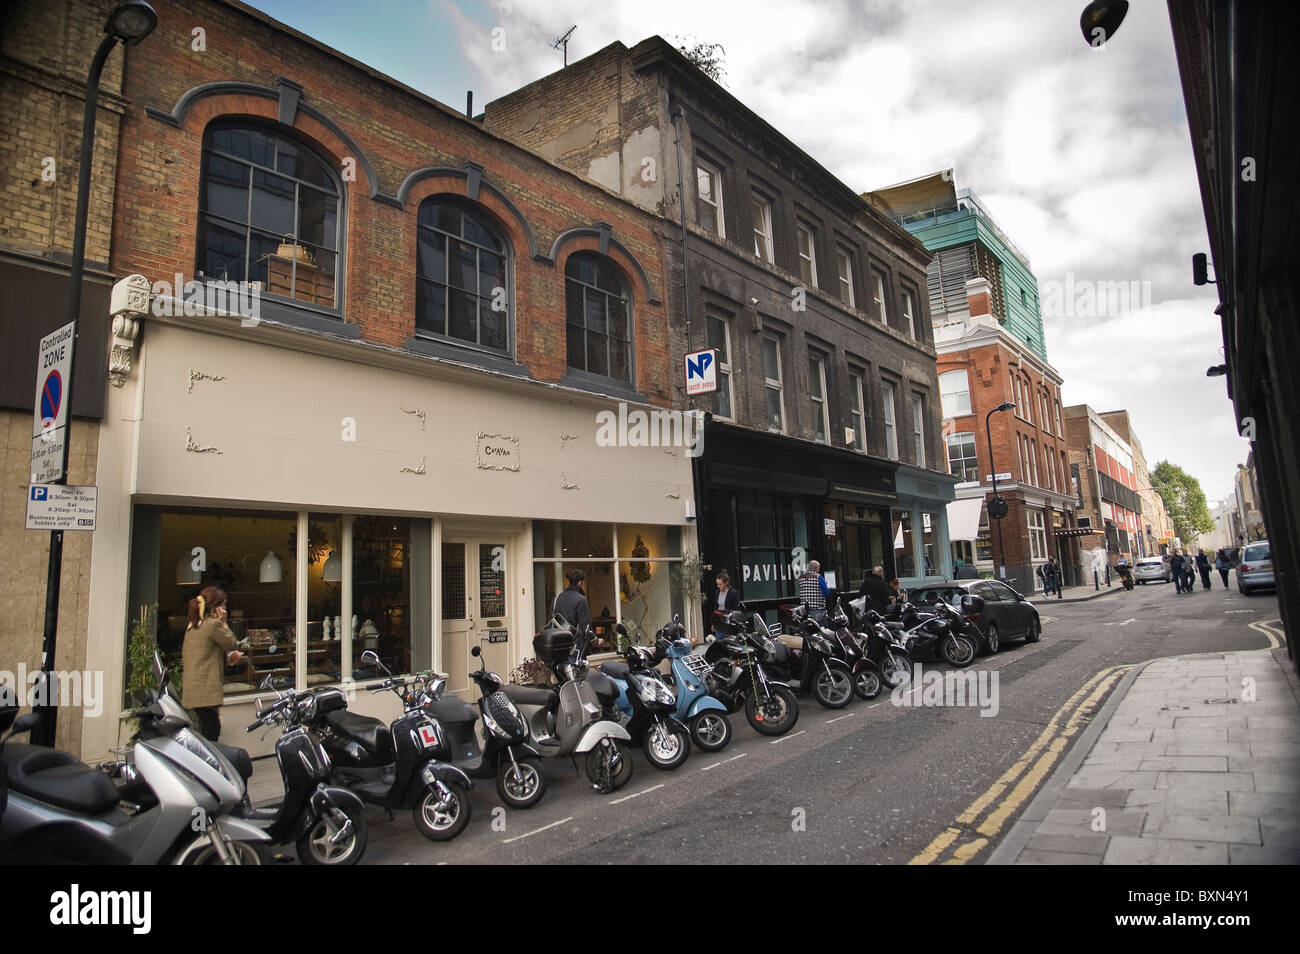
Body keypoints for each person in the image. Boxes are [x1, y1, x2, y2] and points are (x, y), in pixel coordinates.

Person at [181, 585, 242, 741]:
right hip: (205, 689)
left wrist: (227, 659)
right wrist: (224, 623)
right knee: (212, 730)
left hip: (193, 689)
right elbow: (231, 643)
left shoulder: (193, 626)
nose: (225, 608)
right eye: (224, 605)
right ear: (216, 607)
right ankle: (207, 763)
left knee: (207, 727)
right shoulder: (212, 625)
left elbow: (202, 655)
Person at [712, 569, 740, 637]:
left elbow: (737, 610)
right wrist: (713, 623)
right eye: (717, 584)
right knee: (719, 643)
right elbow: (716, 608)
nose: (718, 586)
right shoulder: (717, 593)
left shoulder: (733, 593)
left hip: (729, 625)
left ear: (726, 583)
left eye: (720, 584)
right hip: (719, 623)